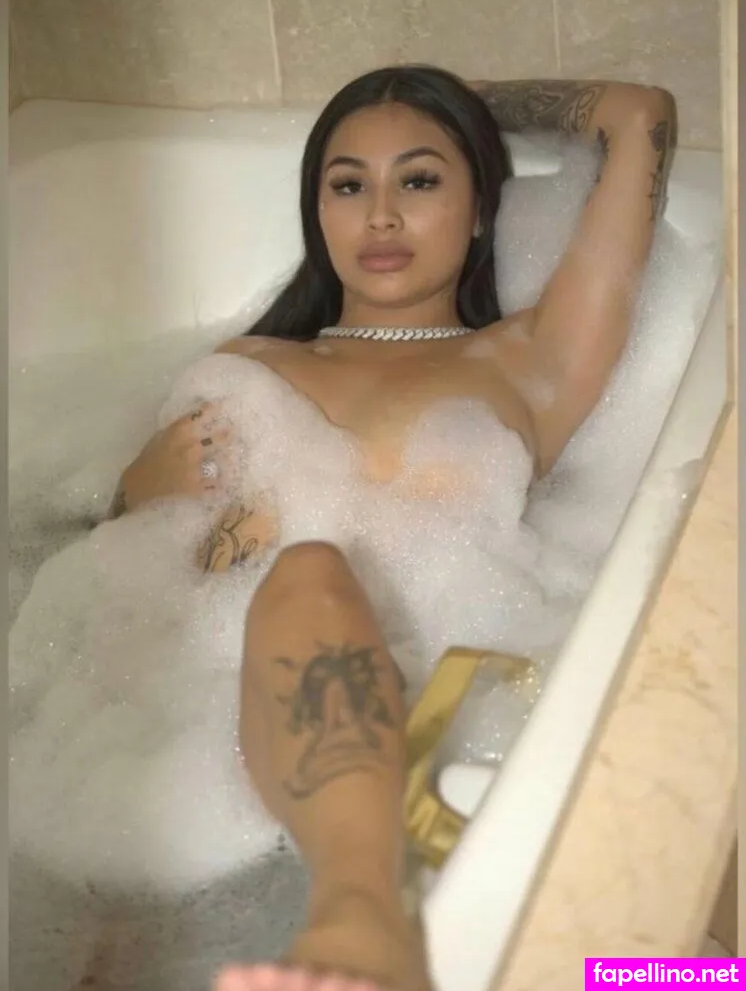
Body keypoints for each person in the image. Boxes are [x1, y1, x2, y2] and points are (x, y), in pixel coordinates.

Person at [102, 65, 676, 991]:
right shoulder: (244, 364)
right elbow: (115, 579)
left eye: (419, 179)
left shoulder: (529, 358)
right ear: (316, 212)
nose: (379, 216)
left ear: (481, 210)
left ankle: (364, 929)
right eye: (347, 185)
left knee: (309, 573)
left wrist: (467, 100)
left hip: (440, 735)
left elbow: (636, 114)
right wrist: (135, 493)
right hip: (196, 749)